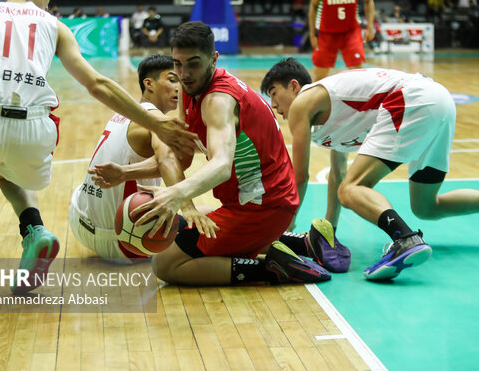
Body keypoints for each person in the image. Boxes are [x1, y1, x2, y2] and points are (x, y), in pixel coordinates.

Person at [0, 0, 196, 292]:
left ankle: (29, 231)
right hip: (35, 127)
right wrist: (154, 123)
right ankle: (35, 230)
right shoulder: (55, 26)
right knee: (5, 169)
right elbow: (98, 84)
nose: (47, 2)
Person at [260, 58, 479, 281]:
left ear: (294, 86)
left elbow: (300, 175)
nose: (273, 105)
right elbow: (336, 171)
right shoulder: (326, 117)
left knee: (352, 189)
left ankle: (405, 239)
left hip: (411, 99)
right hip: (439, 102)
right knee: (427, 206)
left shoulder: (303, 104)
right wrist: (330, 232)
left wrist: (288, 219)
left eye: (274, 93)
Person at [111, 21, 350, 286]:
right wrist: (125, 173)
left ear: (213, 59)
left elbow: (222, 166)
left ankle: (269, 269)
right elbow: (181, 156)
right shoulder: (191, 89)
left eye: (193, 63)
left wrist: (176, 194)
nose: (185, 73)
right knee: (192, 215)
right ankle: (306, 242)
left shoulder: (218, 101)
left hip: (264, 207)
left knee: (165, 264)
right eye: (178, 64)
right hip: (250, 201)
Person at [70, 55, 215, 264]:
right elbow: (166, 159)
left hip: (80, 223)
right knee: (210, 215)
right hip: (125, 241)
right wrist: (187, 206)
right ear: (149, 84)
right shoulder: (156, 119)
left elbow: (176, 151)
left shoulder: (125, 113)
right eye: (173, 80)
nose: (179, 88)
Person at [308, 0, 375, 82]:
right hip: (326, 32)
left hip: (351, 31)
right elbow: (313, 5)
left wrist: (370, 26)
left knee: (358, 75)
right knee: (319, 77)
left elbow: (368, 0)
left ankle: (358, 101)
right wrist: (312, 33)